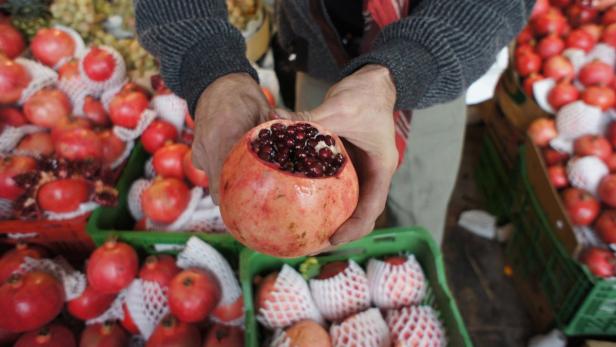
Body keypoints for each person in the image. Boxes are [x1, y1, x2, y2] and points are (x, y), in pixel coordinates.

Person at [135, 0, 533, 248]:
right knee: (328, 237)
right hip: (321, 57)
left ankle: (411, 272)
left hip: (438, 71)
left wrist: (410, 64)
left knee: (420, 209)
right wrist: (208, 63)